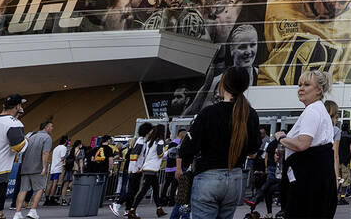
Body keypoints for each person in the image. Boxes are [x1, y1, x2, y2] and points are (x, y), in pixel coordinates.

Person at [185, 66, 261, 219]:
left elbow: (188, 147)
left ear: (223, 84)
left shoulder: (208, 112)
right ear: (245, 86)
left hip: (208, 177)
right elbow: (253, 150)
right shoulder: (250, 114)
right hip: (235, 178)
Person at [279, 70, 338, 219]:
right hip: (317, 178)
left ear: (319, 90)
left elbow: (302, 144)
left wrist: (281, 138)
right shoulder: (319, 110)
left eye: (306, 85)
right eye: (299, 85)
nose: (301, 88)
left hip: (308, 181)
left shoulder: (312, 110)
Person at [12, 120, 53, 219]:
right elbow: (45, 153)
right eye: (51, 127)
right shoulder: (47, 138)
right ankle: (33, 210)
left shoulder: (31, 137)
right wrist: (44, 167)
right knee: (39, 189)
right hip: (37, 167)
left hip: (25, 167)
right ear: (46, 127)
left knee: (23, 190)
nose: (52, 129)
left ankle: (17, 213)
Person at [127, 126, 167, 219]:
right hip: (152, 169)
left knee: (156, 189)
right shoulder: (159, 141)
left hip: (148, 168)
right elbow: (160, 154)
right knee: (144, 191)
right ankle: (132, 210)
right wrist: (168, 152)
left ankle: (159, 209)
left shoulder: (150, 142)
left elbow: (146, 154)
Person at [45, 135, 68, 207]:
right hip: (58, 167)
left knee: (50, 183)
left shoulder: (56, 148)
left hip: (53, 167)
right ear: (66, 141)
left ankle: (46, 199)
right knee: (55, 183)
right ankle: (51, 198)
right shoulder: (64, 148)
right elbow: (62, 158)